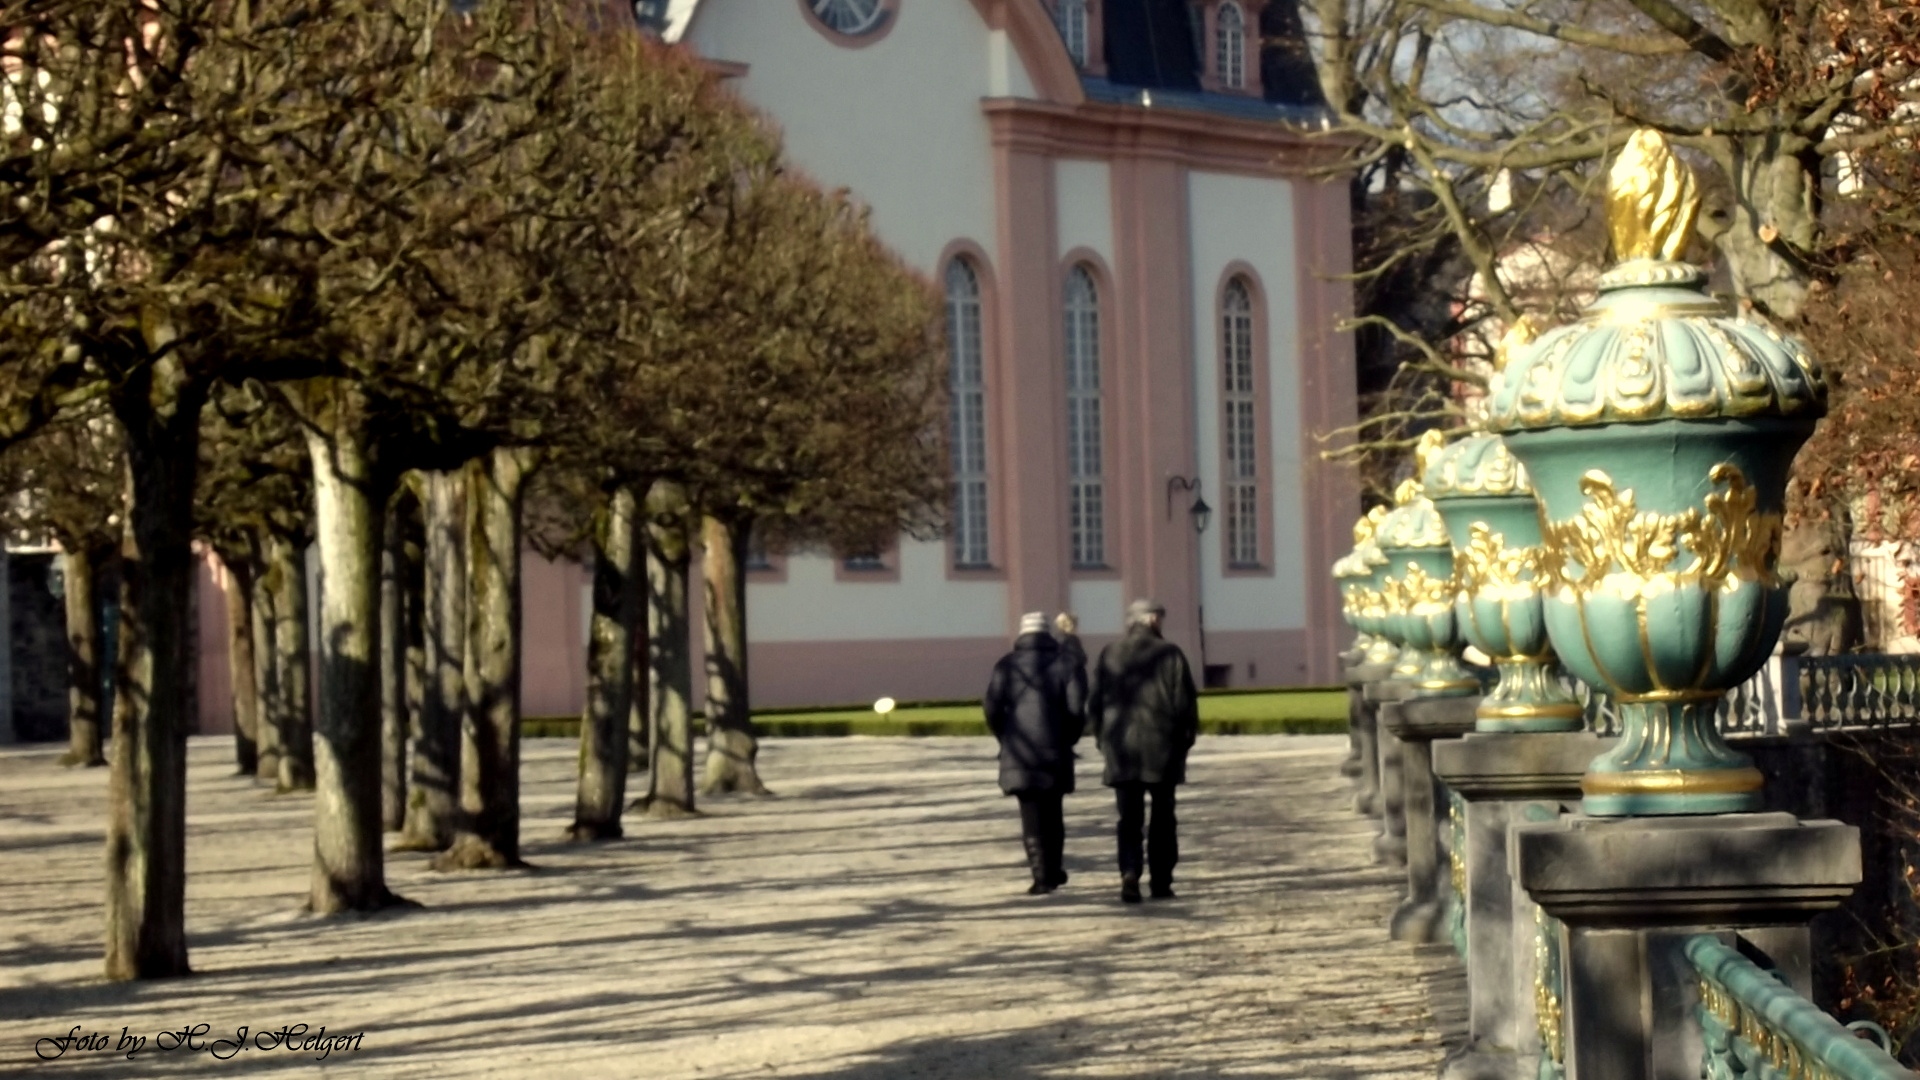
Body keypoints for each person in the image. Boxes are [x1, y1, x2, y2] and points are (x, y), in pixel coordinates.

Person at [1087, 598, 1199, 903]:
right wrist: (1183, 744)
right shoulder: (1170, 654)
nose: (1162, 623)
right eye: (1160, 618)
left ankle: (1130, 874)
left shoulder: (1110, 653)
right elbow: (1185, 706)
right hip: (1162, 749)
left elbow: (1094, 703)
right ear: (1150, 620)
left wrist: (1103, 740)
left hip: (1121, 749)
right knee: (1163, 818)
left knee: (1128, 819)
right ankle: (1161, 881)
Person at [984, 612, 1087, 895]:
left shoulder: (1006, 666)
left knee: (1030, 815)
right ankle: (1053, 870)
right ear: (1048, 634)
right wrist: (1070, 738)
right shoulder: (1066, 663)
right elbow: (1077, 709)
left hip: (1019, 752)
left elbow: (992, 708)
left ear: (1022, 633)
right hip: (1054, 749)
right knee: (1054, 813)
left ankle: (1041, 877)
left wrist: (1005, 738)